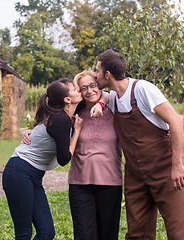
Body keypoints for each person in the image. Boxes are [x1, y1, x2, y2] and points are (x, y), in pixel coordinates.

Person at [95, 49, 184, 240]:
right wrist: (100, 104)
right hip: (135, 176)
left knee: (178, 232)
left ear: (107, 74)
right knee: (137, 233)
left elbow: (176, 121)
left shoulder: (142, 90)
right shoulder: (114, 97)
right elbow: (100, 96)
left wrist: (177, 165)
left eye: (97, 71)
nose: (95, 75)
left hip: (165, 171)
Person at [2, 77, 84, 239]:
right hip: (19, 173)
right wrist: (77, 131)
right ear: (67, 99)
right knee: (24, 232)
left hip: (32, 176)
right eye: (75, 89)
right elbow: (64, 159)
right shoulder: (61, 119)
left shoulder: (61, 115)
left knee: (47, 232)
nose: (79, 89)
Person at [69, 70, 122, 240]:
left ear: (99, 86)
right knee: (84, 235)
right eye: (84, 88)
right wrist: (33, 131)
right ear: (79, 92)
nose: (89, 90)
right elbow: (52, 121)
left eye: (93, 85)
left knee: (108, 234)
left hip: (111, 183)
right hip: (80, 184)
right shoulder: (74, 115)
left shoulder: (116, 111)